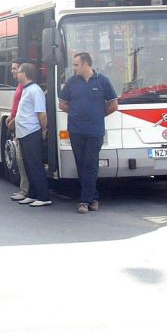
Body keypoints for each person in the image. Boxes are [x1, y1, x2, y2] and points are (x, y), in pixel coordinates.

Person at [59, 51, 118, 214]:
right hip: (76, 130)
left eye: (76, 65)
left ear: (85, 64)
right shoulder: (71, 82)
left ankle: (84, 201)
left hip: (95, 130)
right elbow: (62, 104)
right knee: (81, 164)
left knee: (90, 164)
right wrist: (77, 113)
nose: (74, 68)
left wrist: (97, 115)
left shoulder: (102, 81)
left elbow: (114, 105)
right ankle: (93, 197)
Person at [14, 62, 51, 207]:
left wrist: (43, 130)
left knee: (35, 165)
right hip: (23, 133)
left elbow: (41, 114)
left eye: (19, 72)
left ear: (24, 74)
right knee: (28, 165)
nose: (17, 74)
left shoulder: (35, 90)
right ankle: (33, 194)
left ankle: (44, 196)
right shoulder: (26, 89)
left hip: (31, 132)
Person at [5, 58, 30, 202]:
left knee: (22, 160)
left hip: (22, 127)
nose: (12, 71)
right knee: (20, 160)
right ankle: (24, 190)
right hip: (17, 125)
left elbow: (24, 109)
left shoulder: (26, 88)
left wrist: (13, 120)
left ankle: (25, 190)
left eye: (15, 68)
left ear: (22, 71)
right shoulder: (20, 86)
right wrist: (11, 116)